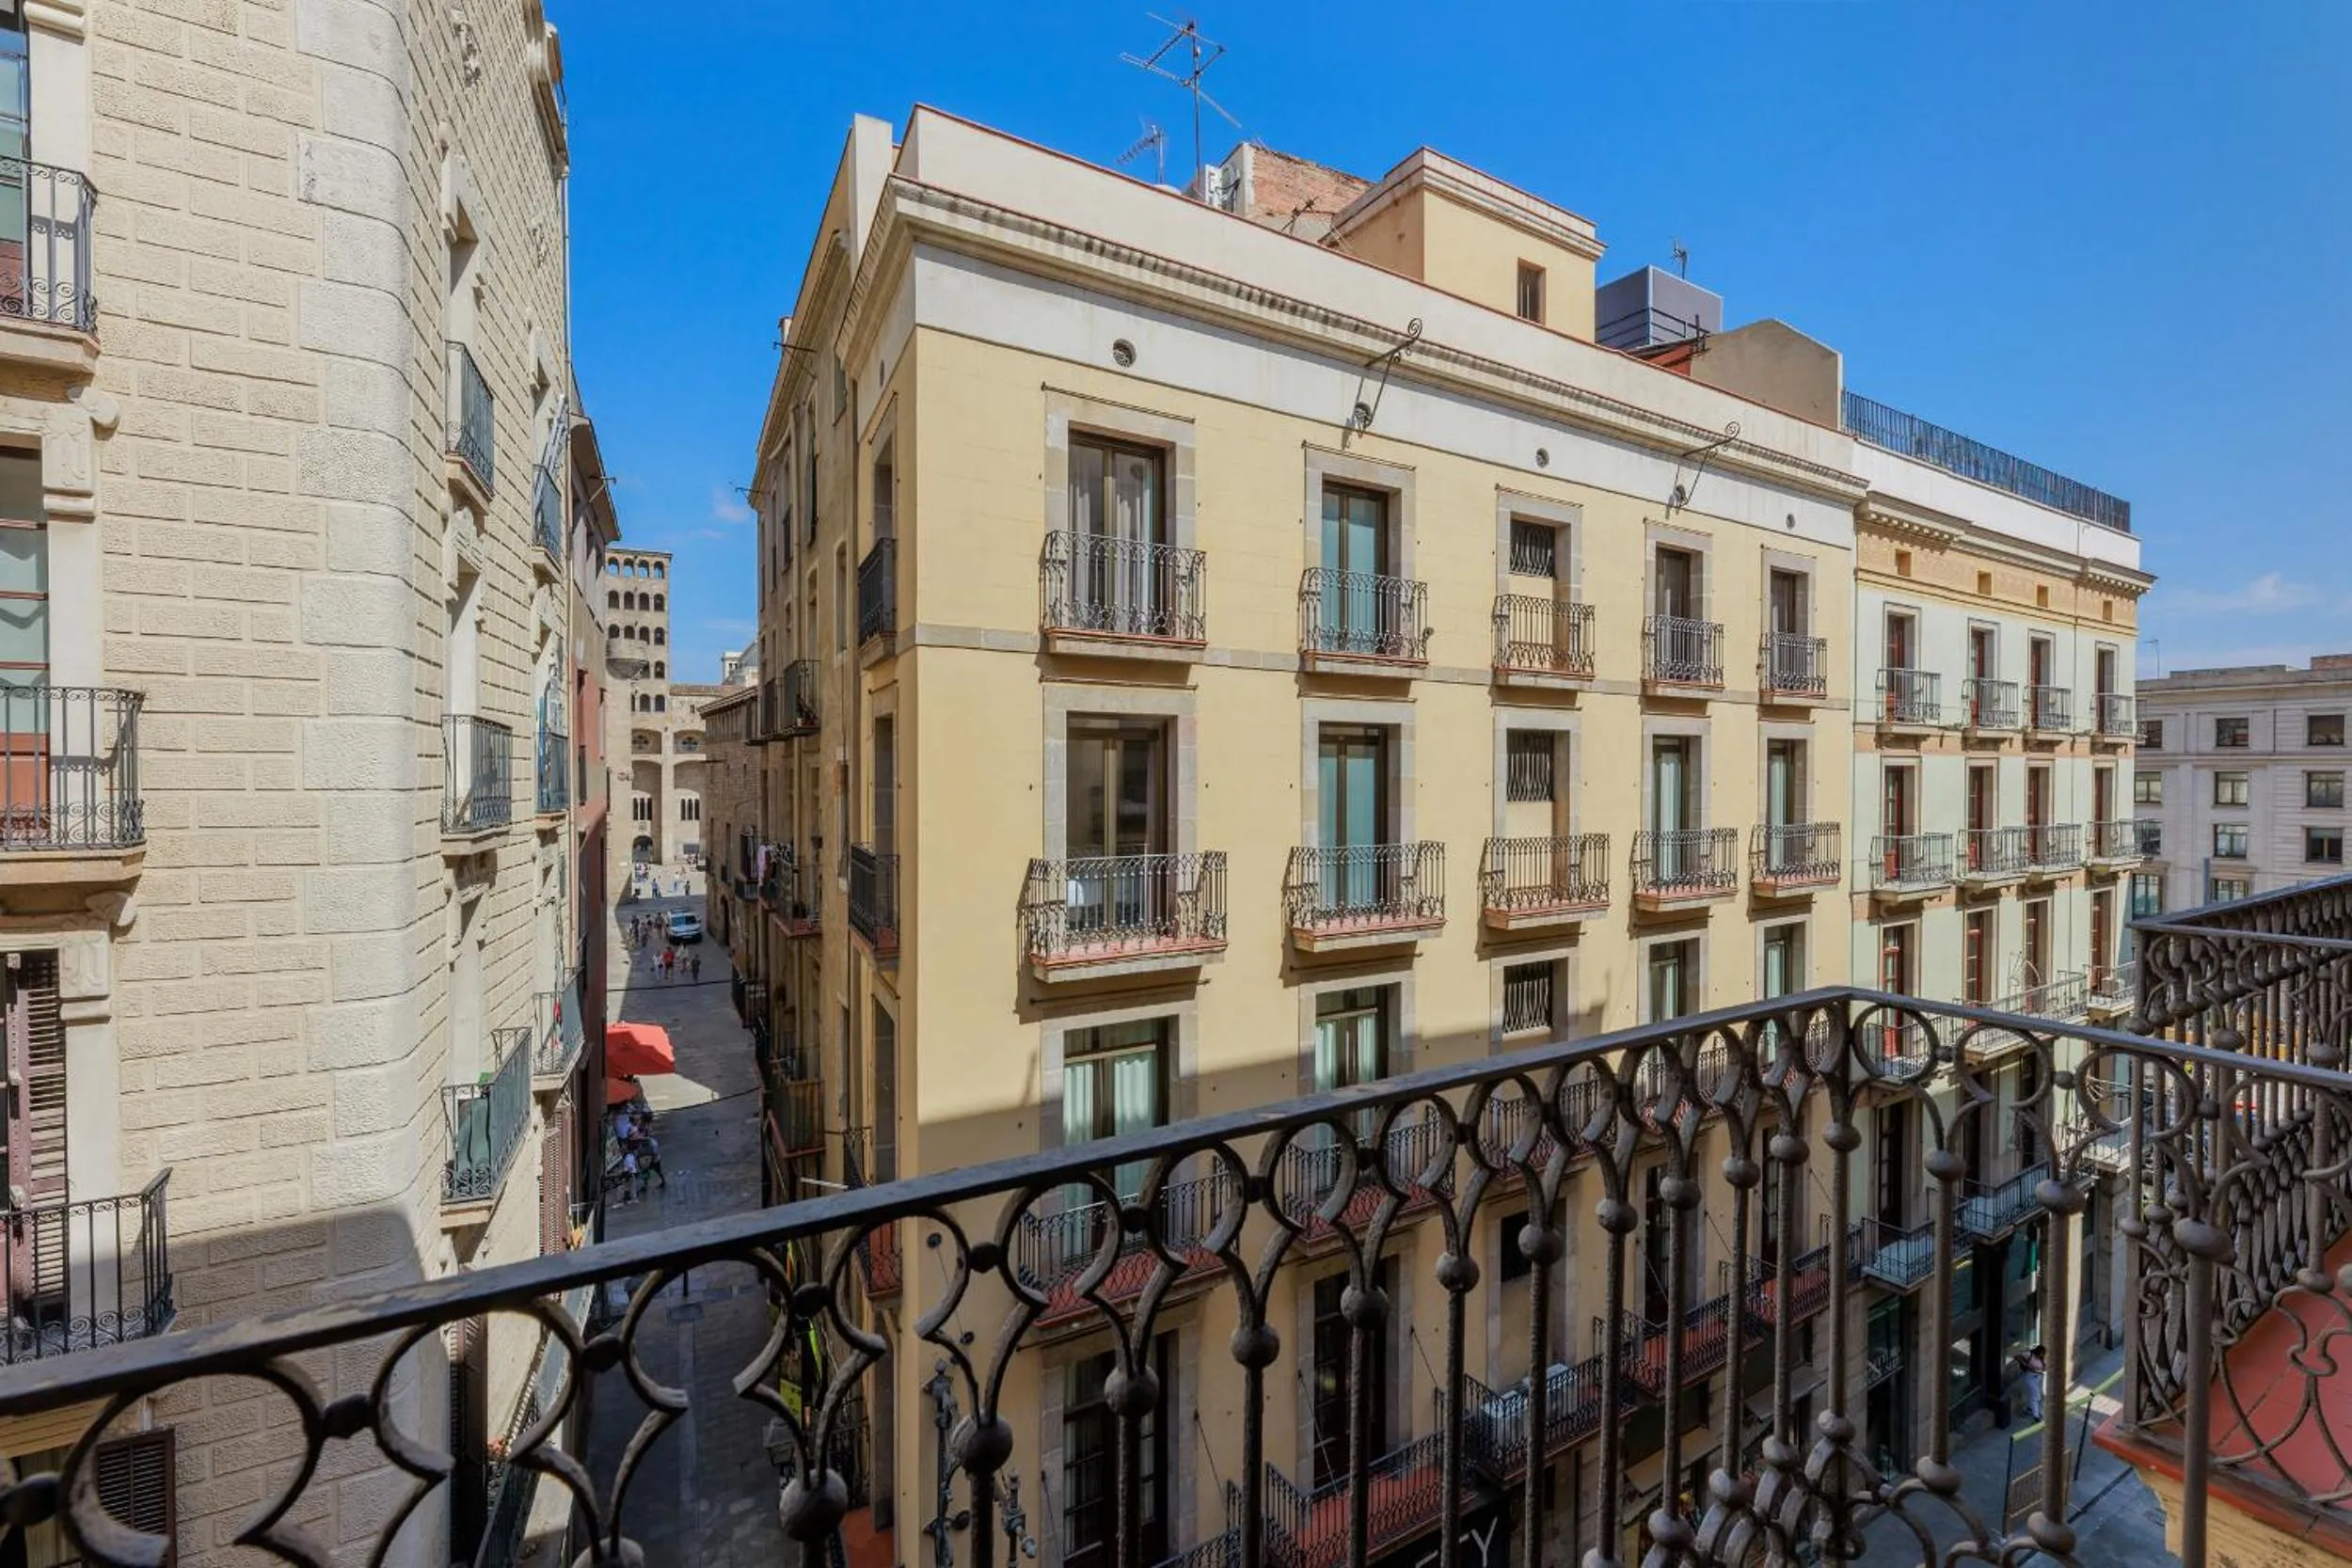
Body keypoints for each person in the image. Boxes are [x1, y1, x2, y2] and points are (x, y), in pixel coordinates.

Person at [2016, 1344, 2046, 1421]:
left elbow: (2042, 1367)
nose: (2042, 1355)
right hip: (2030, 1377)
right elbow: (2017, 1356)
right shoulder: (2029, 1354)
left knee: (2039, 1395)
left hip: (2039, 1378)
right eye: (2041, 1353)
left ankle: (2030, 1408)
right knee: (2035, 1396)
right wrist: (2025, 1364)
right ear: (2038, 1351)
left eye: (2043, 1354)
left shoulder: (2041, 1358)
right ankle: (2036, 1416)